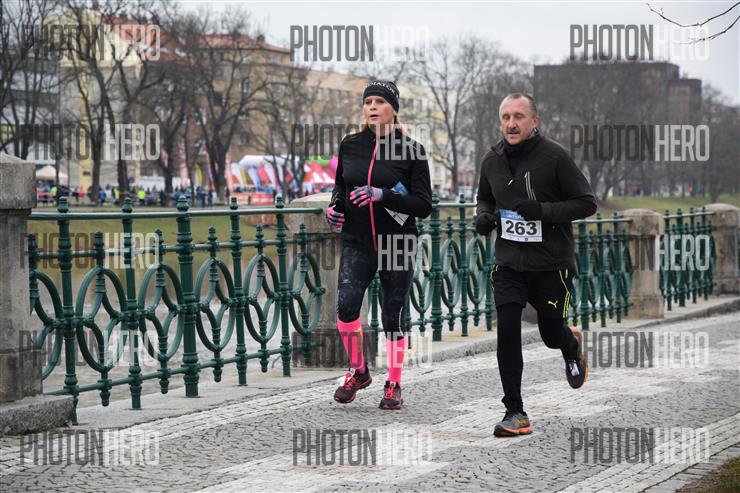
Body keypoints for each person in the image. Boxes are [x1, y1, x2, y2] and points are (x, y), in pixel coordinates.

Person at [475, 93, 597, 437]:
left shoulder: (554, 157)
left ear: (534, 121)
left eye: (518, 117)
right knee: (507, 328)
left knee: (550, 334)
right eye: (505, 118)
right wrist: (483, 217)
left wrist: (542, 211)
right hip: (509, 262)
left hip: (551, 264)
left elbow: (586, 203)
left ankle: (569, 345)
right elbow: (485, 198)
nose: (511, 124)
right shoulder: (491, 160)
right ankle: (515, 411)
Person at [327, 80, 432, 410]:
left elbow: (423, 205)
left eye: (380, 102)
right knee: (346, 307)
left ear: (393, 109)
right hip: (357, 240)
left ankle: (394, 382)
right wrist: (335, 208)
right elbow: (341, 188)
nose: (372, 107)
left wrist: (382, 195)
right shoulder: (350, 145)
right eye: (368, 101)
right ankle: (359, 371)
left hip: (397, 241)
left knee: (392, 314)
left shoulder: (412, 151)